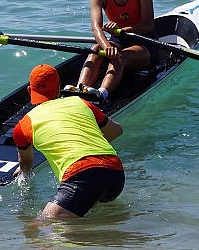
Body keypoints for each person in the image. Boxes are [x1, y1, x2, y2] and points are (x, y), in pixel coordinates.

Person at [13, 64, 125, 218]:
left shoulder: (24, 125)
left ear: (29, 90)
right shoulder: (82, 103)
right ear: (59, 88)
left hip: (82, 175)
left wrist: (22, 170)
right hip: (115, 174)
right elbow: (117, 130)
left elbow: (26, 165)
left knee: (43, 226)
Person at [68, 0, 158, 101]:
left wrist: (121, 29)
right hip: (118, 41)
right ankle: (79, 90)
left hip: (145, 41)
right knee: (96, 49)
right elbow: (96, 28)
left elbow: (148, 24)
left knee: (119, 57)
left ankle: (102, 93)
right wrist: (107, 47)